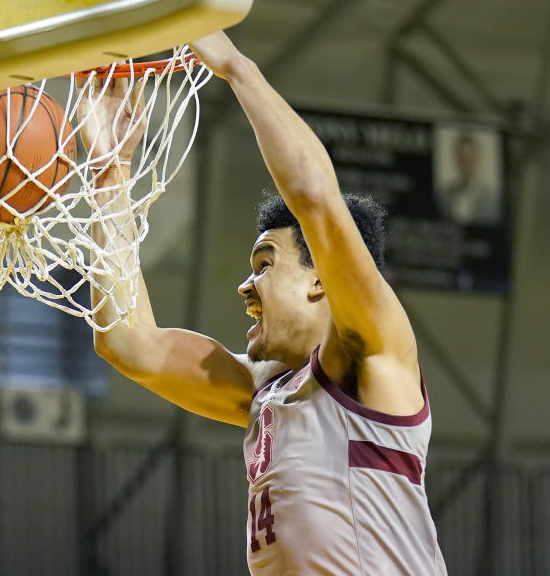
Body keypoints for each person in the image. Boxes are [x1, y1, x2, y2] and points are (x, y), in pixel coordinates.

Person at [78, 31, 446, 575]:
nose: (245, 288)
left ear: (320, 280)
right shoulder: (265, 391)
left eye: (264, 265)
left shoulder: (373, 354)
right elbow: (128, 343)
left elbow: (314, 196)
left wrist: (235, 66)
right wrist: (108, 170)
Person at [436, 132, 501, 226]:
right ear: (457, 159)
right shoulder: (445, 194)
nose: (466, 163)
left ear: (477, 158)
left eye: (469, 157)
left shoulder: (490, 197)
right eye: (462, 157)